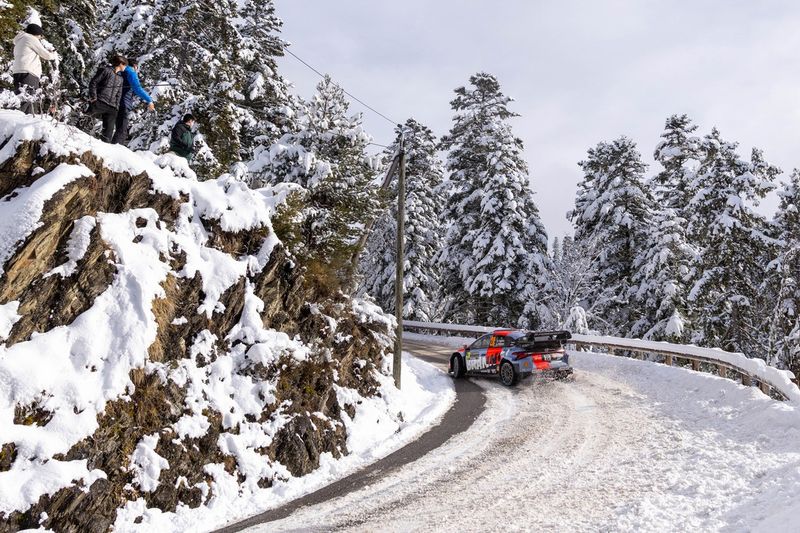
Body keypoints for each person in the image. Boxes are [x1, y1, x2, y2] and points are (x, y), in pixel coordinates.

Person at [12, 23, 57, 114]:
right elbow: (47, 55)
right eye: (40, 35)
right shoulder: (31, 38)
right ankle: (15, 119)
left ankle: (23, 119)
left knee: (22, 98)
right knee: (27, 99)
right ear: (36, 34)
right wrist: (53, 54)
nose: (40, 38)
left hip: (18, 71)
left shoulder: (20, 40)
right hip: (29, 72)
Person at [111, 58, 155, 146]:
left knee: (110, 128)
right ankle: (114, 149)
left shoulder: (118, 71)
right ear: (135, 66)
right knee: (121, 130)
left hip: (112, 102)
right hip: (123, 103)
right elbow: (137, 88)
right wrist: (149, 100)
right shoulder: (130, 72)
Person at [87, 55, 127, 143]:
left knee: (108, 134)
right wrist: (94, 97)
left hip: (112, 108)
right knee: (86, 121)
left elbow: (119, 94)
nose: (125, 67)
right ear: (120, 63)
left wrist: (116, 107)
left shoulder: (121, 79)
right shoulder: (105, 70)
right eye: (125, 65)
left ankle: (104, 149)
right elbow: (93, 82)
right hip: (99, 102)